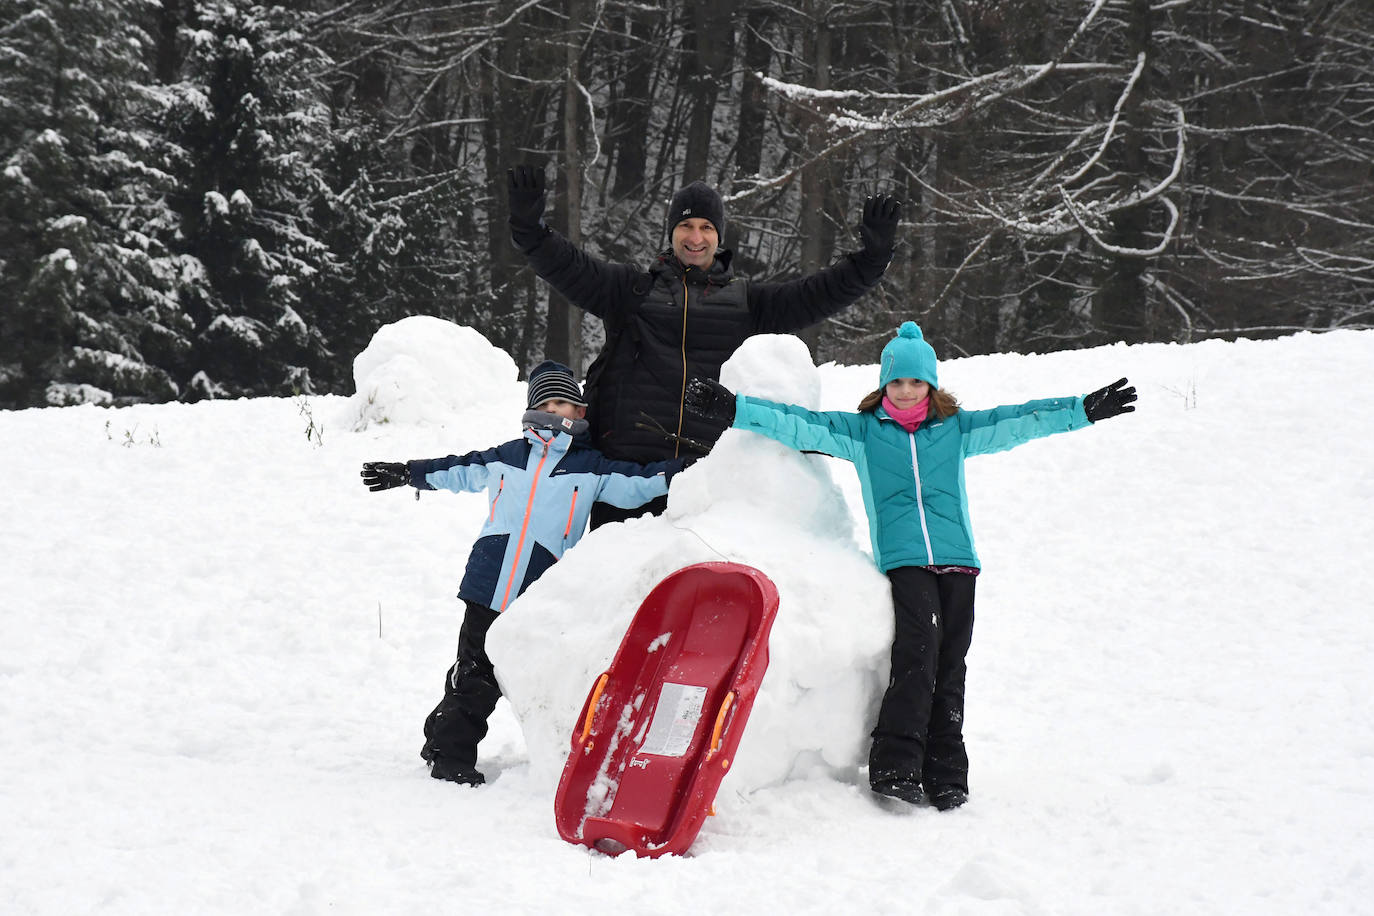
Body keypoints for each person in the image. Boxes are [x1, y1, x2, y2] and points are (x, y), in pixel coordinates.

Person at [683, 321, 1137, 810]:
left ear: (930, 385)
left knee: (951, 663)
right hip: (905, 563)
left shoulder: (956, 429)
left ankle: (946, 773)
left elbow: (1020, 420)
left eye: (915, 382)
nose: (905, 391)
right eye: (896, 382)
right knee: (919, 652)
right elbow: (798, 423)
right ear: (884, 385)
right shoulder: (863, 433)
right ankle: (896, 764)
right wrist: (736, 409)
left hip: (958, 562)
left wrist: (1081, 411)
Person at [506, 166, 902, 529]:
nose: (695, 237)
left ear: (719, 235)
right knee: (619, 599)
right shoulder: (630, 292)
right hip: (623, 479)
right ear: (671, 232)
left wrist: (871, 260)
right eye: (686, 225)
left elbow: (817, 295)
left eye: (707, 227)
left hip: (702, 482)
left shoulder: (746, 304)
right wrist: (530, 229)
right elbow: (569, 266)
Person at [360, 360, 694, 786]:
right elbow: (458, 469)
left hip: (540, 588)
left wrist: (685, 470)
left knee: (515, 672)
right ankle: (449, 755)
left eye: (567, 405)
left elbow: (638, 483)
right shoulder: (507, 456)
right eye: (550, 403)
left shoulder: (590, 467)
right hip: (488, 580)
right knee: (475, 673)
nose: (558, 412)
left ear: (580, 413)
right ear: (536, 408)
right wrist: (409, 472)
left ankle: (441, 735)